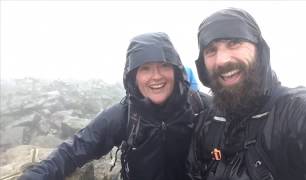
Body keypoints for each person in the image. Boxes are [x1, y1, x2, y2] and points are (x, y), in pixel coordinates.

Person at [19, 32, 211, 180]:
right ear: (133, 77)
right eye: (145, 68)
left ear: (176, 70)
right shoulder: (125, 115)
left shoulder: (202, 108)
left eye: (164, 65)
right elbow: (73, 150)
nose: (156, 76)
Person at [187, 8, 306, 180]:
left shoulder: (299, 114)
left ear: (259, 50)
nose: (221, 60)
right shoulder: (206, 124)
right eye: (211, 50)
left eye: (234, 43)